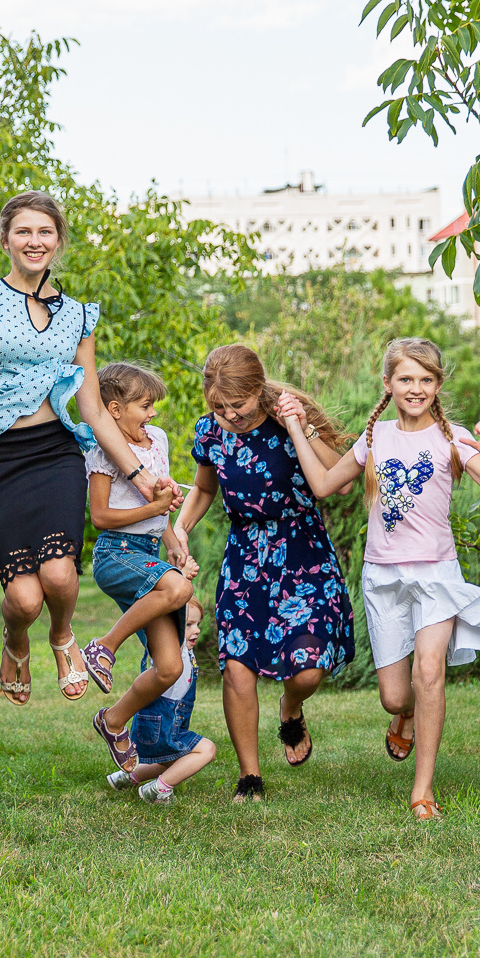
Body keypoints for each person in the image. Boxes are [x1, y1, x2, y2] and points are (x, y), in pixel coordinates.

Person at [0, 191, 163, 708]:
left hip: (54, 450)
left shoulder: (78, 315)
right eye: (23, 232)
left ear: (59, 241)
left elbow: (95, 409)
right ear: (5, 239)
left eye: (45, 232)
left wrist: (140, 475)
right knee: (23, 596)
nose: (35, 241)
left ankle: (61, 638)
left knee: (58, 574)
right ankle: (15, 640)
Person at [279, 337, 480, 820]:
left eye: (426, 380)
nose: (416, 388)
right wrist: (297, 431)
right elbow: (325, 485)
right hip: (383, 577)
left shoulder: (452, 438)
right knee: (394, 694)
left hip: (436, 574)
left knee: (429, 673)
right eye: (406, 379)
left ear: (438, 386)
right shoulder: (376, 439)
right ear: (387, 384)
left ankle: (423, 791)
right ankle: (405, 714)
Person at [167, 344, 352, 803]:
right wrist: (181, 528)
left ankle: (291, 709)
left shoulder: (290, 416)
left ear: (257, 388)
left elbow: (342, 480)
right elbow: (205, 487)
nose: (229, 415)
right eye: (219, 407)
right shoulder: (210, 432)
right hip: (245, 555)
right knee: (237, 667)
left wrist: (299, 426)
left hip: (303, 551)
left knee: (308, 670)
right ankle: (250, 776)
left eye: (238, 405)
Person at [72, 362, 193, 770]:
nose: (153, 413)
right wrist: (156, 510)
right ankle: (103, 647)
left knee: (169, 667)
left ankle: (113, 720)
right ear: (114, 409)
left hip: (149, 553)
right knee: (179, 589)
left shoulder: (156, 439)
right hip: (115, 553)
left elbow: (159, 503)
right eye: (145, 405)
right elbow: (101, 517)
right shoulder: (102, 452)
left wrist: (173, 542)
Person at [104, 599, 217, 804]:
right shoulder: (173, 653)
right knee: (206, 750)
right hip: (162, 725)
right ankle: (158, 790)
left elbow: (179, 603)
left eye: (198, 624)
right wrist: (179, 578)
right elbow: (170, 609)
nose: (197, 630)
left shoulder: (183, 652)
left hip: (156, 723)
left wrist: (183, 583)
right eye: (189, 624)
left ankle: (128, 777)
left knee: (170, 760)